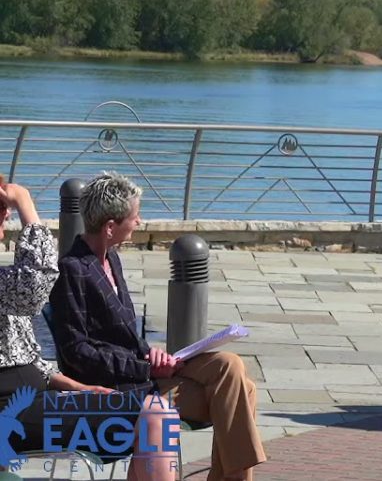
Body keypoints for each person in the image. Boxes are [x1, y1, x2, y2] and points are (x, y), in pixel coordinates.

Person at [48, 172, 266, 481]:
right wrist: (145, 368)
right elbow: (77, 352)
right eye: (134, 217)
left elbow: (124, 336)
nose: (139, 223)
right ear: (110, 226)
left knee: (229, 364)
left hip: (145, 370)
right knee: (245, 390)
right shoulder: (72, 271)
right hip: (122, 387)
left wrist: (153, 354)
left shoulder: (111, 259)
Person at [0, 177, 177, 480]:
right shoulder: (10, 285)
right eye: (3, 209)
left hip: (38, 400)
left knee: (157, 412)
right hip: (12, 412)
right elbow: (36, 282)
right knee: (155, 415)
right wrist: (25, 203)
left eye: (6, 209)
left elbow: (28, 357)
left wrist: (80, 388)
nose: (6, 215)